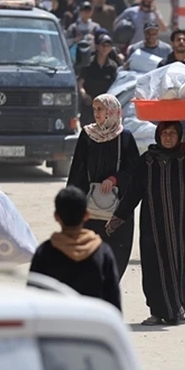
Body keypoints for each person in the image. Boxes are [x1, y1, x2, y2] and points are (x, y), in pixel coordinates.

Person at [107, 96, 185, 325]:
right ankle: (157, 311)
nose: (168, 137)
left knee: (183, 264)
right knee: (154, 267)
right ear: (158, 136)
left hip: (184, 225)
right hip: (154, 226)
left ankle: (179, 308)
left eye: (172, 134)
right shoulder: (147, 160)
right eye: (164, 133)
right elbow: (134, 191)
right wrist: (119, 216)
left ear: (179, 136)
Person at [67, 94, 140, 278]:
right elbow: (78, 169)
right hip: (89, 209)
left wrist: (115, 180)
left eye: (101, 109)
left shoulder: (125, 137)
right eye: (94, 109)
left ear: (112, 111)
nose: (97, 113)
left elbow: (134, 170)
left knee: (116, 256)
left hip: (117, 210)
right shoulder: (88, 135)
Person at [30, 186, 122, 311]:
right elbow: (113, 301)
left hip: (55, 326)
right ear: (86, 215)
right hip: (92, 326)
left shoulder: (45, 252)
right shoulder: (102, 252)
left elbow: (33, 298)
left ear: (56, 216)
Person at [78, 35, 119, 126]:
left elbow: (117, 86)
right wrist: (84, 95)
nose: (105, 48)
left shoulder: (113, 67)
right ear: (97, 46)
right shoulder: (88, 64)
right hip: (89, 106)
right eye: (103, 45)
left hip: (105, 107)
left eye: (108, 46)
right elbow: (80, 83)